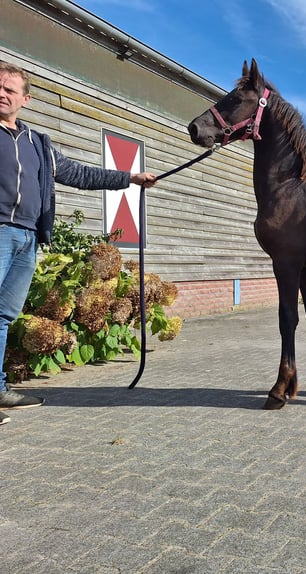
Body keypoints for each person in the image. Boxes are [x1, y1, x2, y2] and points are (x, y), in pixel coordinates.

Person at [0, 61, 157, 425]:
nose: (2, 94)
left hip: (28, 237)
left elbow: (77, 173)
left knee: (4, 316)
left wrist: (129, 178)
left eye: (10, 89)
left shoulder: (38, 144)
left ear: (26, 98)